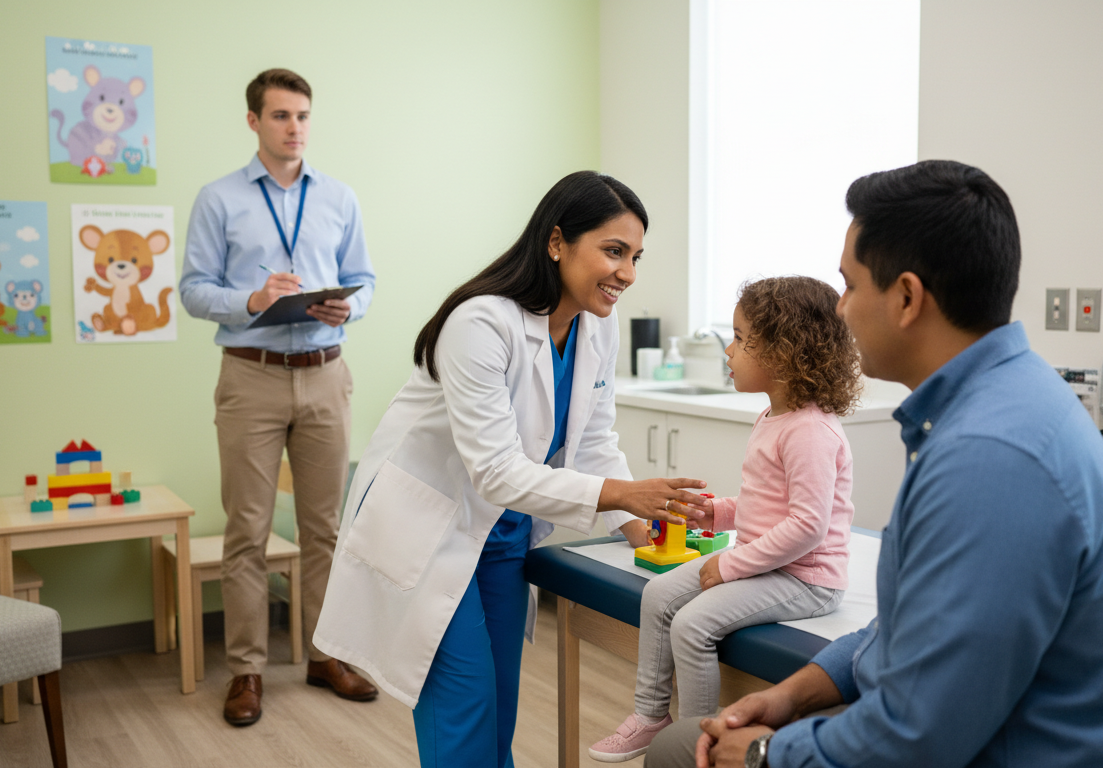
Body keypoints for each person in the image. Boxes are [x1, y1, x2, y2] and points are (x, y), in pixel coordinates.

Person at [647, 160, 1103, 768]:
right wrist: (793, 694)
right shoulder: (1009, 400)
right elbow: (912, 630)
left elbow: (919, 737)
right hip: (976, 732)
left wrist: (765, 754)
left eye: (851, 286)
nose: (839, 310)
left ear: (908, 298)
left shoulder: (990, 459)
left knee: (681, 751)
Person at [313, 171, 714, 768]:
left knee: (499, 707)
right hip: (427, 529)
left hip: (501, 534)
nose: (627, 272)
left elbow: (595, 442)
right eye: (613, 250)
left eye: (634, 256)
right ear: (557, 242)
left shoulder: (595, 328)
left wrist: (656, 537)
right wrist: (627, 495)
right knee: (465, 706)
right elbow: (496, 471)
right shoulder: (480, 323)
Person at [588, 276, 861, 763]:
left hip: (808, 577)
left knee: (692, 624)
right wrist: (717, 514)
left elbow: (808, 527)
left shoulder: (810, 431)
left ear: (782, 353)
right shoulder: (773, 417)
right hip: (769, 562)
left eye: (740, 338)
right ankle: (652, 716)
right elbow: (768, 506)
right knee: (658, 593)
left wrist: (730, 567)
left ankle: (699, 739)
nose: (728, 350)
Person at [179, 68, 379, 727]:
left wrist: (347, 310)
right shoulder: (219, 198)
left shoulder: (340, 197)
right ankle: (246, 671)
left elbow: (364, 280)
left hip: (326, 372)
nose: (294, 128)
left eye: (302, 116)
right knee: (248, 531)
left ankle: (325, 656)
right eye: (281, 116)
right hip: (251, 374)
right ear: (253, 122)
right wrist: (253, 299)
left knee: (326, 528)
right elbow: (194, 289)